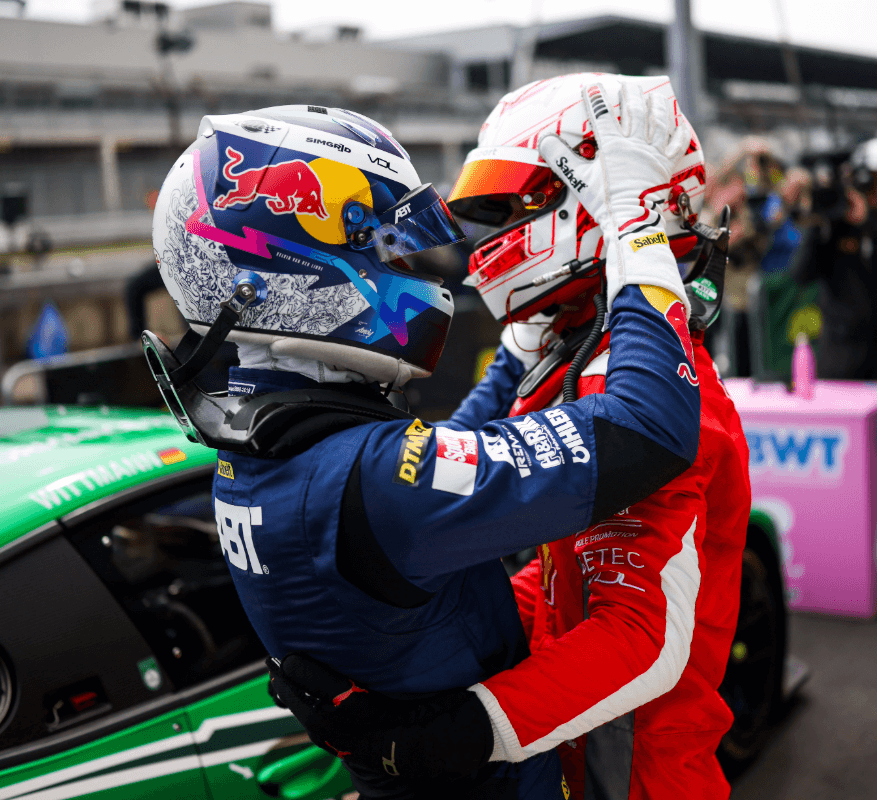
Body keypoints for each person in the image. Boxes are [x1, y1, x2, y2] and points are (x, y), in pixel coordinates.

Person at [146, 90, 702, 799]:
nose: (414, 268)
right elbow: (647, 427)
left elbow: (442, 457)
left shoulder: (259, 448)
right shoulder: (370, 483)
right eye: (377, 244)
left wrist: (516, 350)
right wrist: (636, 229)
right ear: (286, 271)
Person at [791, 137, 877, 380]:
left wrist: (867, 222)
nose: (874, 186)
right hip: (839, 351)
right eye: (869, 177)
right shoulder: (833, 226)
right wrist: (820, 224)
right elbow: (800, 274)